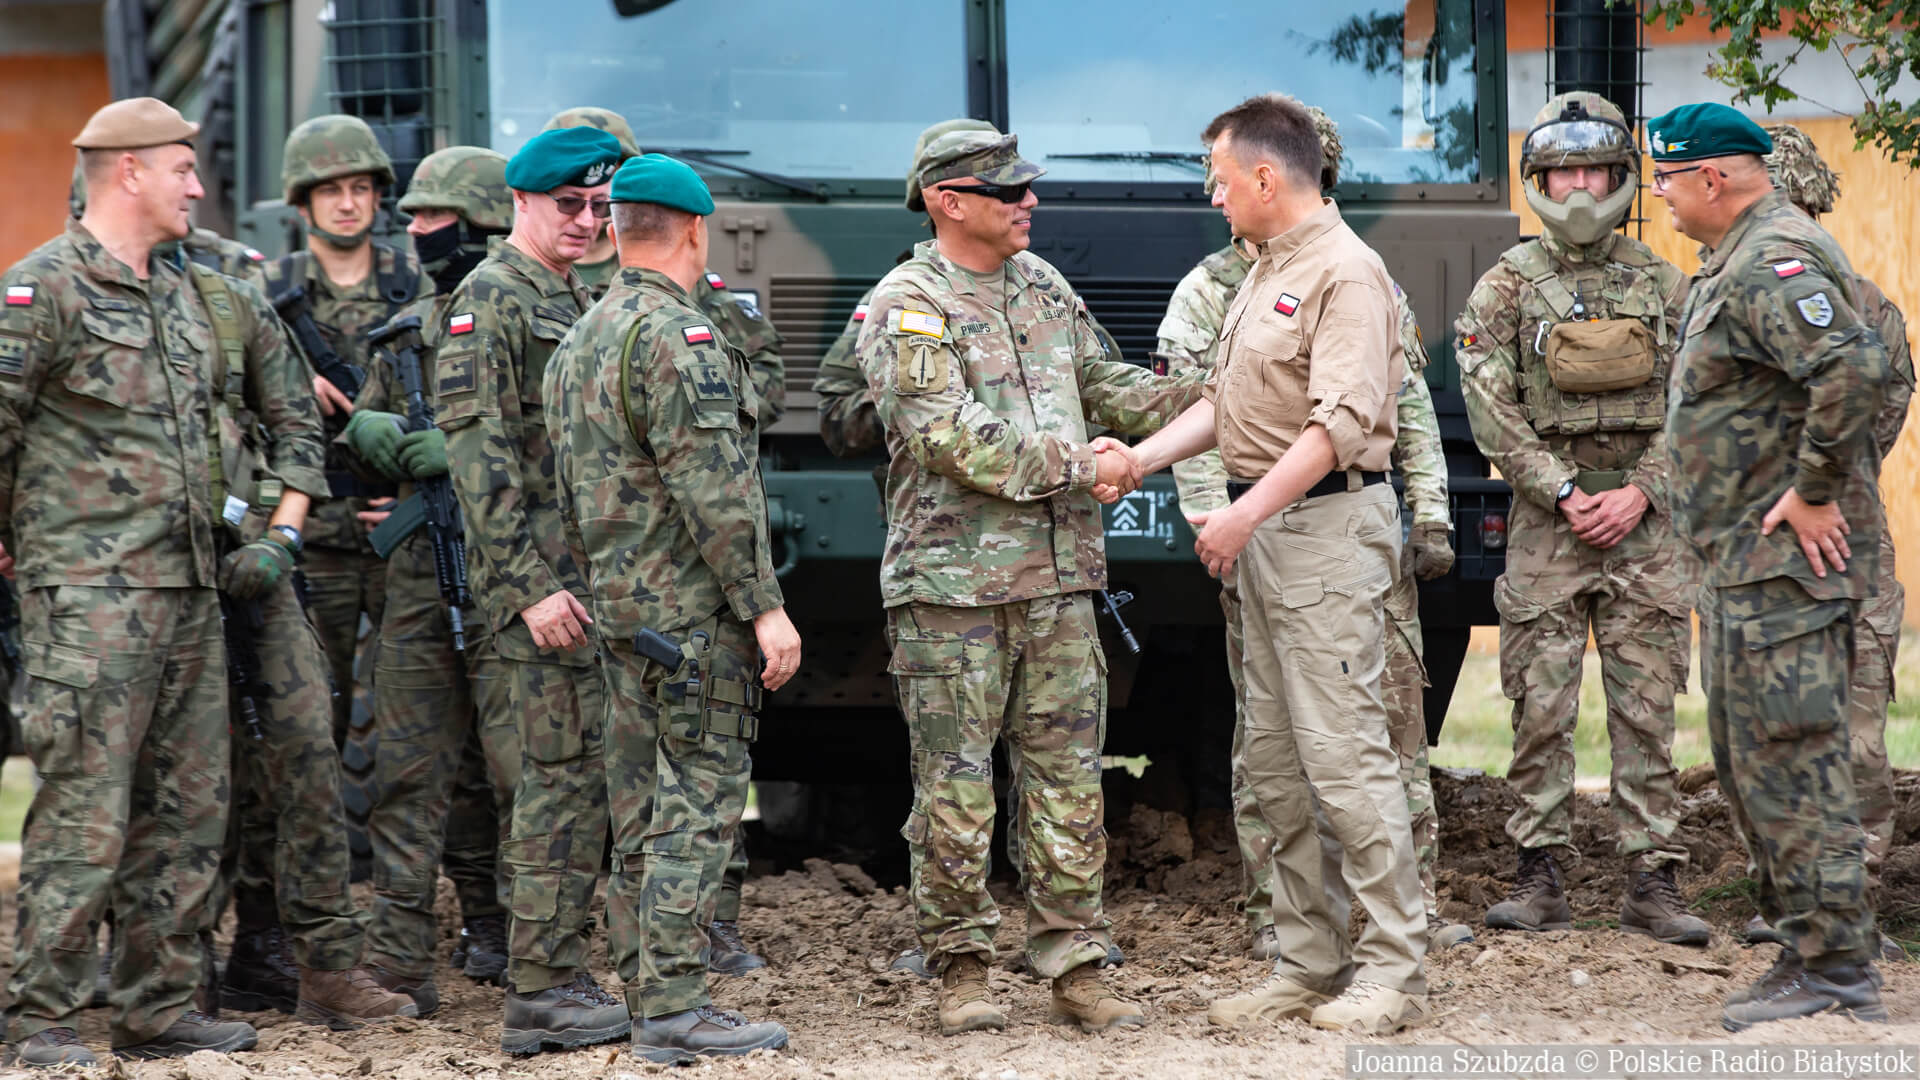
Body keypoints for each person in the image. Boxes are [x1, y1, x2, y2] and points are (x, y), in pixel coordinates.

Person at [856, 125, 1204, 1037]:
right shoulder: (909, 304)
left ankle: (1075, 966)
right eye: (1007, 191)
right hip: (952, 594)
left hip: (1059, 583)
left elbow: (1103, 383)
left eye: (1027, 188)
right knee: (956, 789)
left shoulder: (1041, 284)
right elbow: (949, 436)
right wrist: (1086, 467)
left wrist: (1212, 391)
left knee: (1068, 785)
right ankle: (962, 970)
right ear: (948, 201)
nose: (1029, 202)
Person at [1118, 93, 1427, 1035]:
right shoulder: (1265, 268)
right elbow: (1227, 403)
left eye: (1219, 181)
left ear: (1264, 176)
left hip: (1325, 532)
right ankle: (1308, 962)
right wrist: (1137, 459)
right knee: (1276, 766)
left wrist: (1243, 514)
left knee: (1346, 759)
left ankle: (1394, 973)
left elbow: (1339, 426)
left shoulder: (1347, 272)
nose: (1212, 197)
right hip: (1271, 534)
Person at [0, 96, 261, 1065]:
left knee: (188, 810)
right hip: (89, 599)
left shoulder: (182, 298)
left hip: (189, 591)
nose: (197, 188)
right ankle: (43, 1014)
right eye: (183, 169)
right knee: (84, 809)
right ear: (129, 172)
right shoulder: (44, 290)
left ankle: (158, 1003)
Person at [544, 152, 798, 1063]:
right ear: (696, 228)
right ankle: (676, 1007)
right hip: (692, 617)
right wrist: (765, 608)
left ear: (615, 231)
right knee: (696, 805)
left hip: (622, 614)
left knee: (641, 810)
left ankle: (648, 993)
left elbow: (567, 495)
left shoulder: (580, 338)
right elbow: (716, 491)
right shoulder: (676, 337)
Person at [1650, 102, 1890, 1028]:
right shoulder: (1739, 255)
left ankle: (1835, 967)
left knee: (1793, 762)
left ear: (1714, 177)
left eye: (1668, 178)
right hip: (1747, 568)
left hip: (1785, 570)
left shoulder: (1770, 258)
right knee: (1754, 763)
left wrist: (1817, 489)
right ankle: (1806, 950)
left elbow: (1854, 370)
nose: (1660, 195)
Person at [1454, 92, 1708, 946]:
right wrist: (1564, 491)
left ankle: (1654, 881)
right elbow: (1490, 412)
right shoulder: (1504, 288)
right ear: (1538, 180)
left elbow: (1698, 403)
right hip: (1547, 529)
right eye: (1562, 173)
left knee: (1648, 709)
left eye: (1595, 171)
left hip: (1647, 530)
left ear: (1621, 178)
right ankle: (1538, 878)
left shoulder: (1667, 285)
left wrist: (1641, 491)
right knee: (1540, 706)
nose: (1578, 188)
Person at [432, 126, 630, 1055]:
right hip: (546, 596)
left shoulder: (573, 292)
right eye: (569, 205)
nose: (587, 221)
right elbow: (481, 463)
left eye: (600, 207)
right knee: (554, 785)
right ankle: (544, 987)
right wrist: (527, 589)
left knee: (584, 780)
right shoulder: (490, 299)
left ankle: (561, 970)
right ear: (520, 202)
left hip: (591, 587)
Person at [342, 145, 521, 1010]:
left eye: (433, 216)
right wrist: (368, 432)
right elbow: (366, 423)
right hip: (419, 577)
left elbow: (576, 439)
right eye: (411, 217)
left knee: (525, 776)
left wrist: (469, 455)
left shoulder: (538, 311)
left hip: (516, 574)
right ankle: (398, 959)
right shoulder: (408, 330)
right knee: (406, 772)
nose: (415, 230)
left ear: (482, 220)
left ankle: (535, 949)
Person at [1760, 123, 1913, 966]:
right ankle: (1785, 901)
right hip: (1764, 552)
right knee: (1769, 728)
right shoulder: (1723, 304)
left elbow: (1873, 429)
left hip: (1846, 550)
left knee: (1853, 734)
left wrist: (1803, 484)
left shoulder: (1871, 311)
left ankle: (1849, 905)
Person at [265, 114, 425, 754]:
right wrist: (288, 379)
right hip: (312, 537)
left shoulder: (418, 284)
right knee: (306, 717)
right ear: (302, 203)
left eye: (361, 188)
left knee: (418, 717)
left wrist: (413, 495)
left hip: (402, 534)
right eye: (330, 190)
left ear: (380, 196)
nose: (348, 203)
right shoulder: (266, 292)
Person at [545, 107, 787, 431]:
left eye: (604, 171)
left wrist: (693, 417)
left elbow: (766, 380)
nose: (590, 183)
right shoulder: (526, 278)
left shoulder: (680, 277)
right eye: (573, 175)